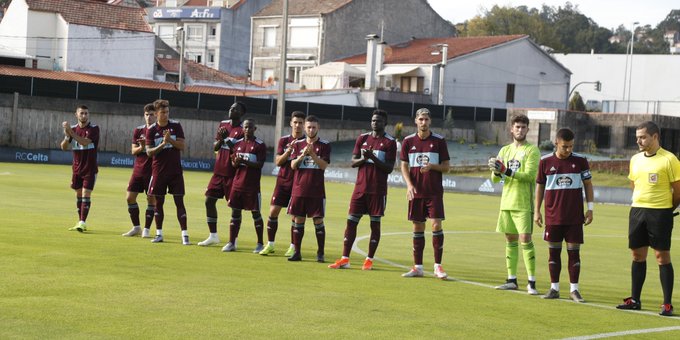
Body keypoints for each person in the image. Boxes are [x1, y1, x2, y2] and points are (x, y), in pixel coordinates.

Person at [616, 121, 680, 316]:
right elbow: (634, 185)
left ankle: (667, 304)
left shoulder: (669, 159)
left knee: (662, 257)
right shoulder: (635, 159)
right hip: (637, 212)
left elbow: (678, 191)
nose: (639, 140)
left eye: (643, 137)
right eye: (637, 137)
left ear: (655, 137)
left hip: (660, 213)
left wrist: (668, 210)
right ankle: (635, 299)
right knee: (637, 256)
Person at [328, 109, 397, 270]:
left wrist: (372, 158)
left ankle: (369, 259)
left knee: (375, 224)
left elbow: (389, 168)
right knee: (351, 222)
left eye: (378, 121)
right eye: (373, 120)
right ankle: (345, 258)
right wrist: (363, 158)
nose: (375, 123)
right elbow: (353, 162)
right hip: (360, 189)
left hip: (377, 191)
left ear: (384, 123)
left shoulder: (390, 142)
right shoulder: (362, 138)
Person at [534, 128, 594, 302]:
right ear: (556, 144)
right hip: (553, 217)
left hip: (575, 217)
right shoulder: (545, 162)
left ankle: (574, 290)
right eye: (564, 147)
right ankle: (554, 288)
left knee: (574, 254)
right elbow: (540, 187)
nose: (568, 150)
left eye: (570, 146)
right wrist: (537, 210)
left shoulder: (581, 161)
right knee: (553, 253)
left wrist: (590, 208)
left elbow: (588, 184)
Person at [489, 114, 540, 294]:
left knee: (525, 240)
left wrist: (506, 170)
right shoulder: (504, 150)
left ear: (528, 129)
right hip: (506, 203)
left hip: (523, 203)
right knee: (510, 240)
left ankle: (531, 282)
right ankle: (511, 279)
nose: (520, 130)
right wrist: (496, 170)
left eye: (523, 127)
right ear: (511, 129)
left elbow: (529, 176)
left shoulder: (532, 151)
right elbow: (495, 180)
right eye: (517, 127)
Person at [399, 108, 450, 279]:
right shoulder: (407, 141)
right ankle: (418, 267)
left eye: (426, 119)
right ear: (416, 121)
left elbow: (446, 167)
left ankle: (438, 266)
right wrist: (409, 185)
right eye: (421, 119)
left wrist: (432, 167)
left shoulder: (439, 141)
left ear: (430, 121)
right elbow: (404, 166)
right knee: (418, 226)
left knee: (436, 225)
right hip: (416, 192)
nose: (423, 122)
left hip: (434, 192)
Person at [198, 102, 245, 246]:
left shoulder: (244, 129)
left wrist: (225, 139)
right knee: (209, 200)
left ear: (241, 113)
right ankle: (213, 236)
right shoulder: (223, 124)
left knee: (235, 207)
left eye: (235, 108)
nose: (231, 109)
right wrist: (220, 140)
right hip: (218, 172)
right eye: (230, 107)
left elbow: (238, 151)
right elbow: (216, 146)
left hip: (233, 173)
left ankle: (234, 240)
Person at [259, 111, 306, 256]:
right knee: (273, 212)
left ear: (304, 125)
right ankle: (270, 244)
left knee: (295, 216)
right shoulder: (284, 141)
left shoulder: (307, 143)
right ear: (291, 123)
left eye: (300, 123)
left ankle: (293, 246)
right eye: (295, 122)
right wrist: (287, 152)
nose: (297, 125)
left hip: (298, 184)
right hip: (282, 182)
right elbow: (278, 162)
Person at [145, 99, 190, 245]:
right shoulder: (151, 130)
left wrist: (170, 140)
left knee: (179, 202)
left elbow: (182, 146)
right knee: (159, 203)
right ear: (157, 113)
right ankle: (159, 234)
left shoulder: (176, 126)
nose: (166, 114)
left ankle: (185, 235)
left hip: (175, 172)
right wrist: (163, 144)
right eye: (163, 112)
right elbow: (149, 152)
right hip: (159, 172)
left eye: (167, 112)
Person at [287, 115, 331, 262]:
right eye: (309, 127)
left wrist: (312, 154)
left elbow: (323, 166)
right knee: (298, 221)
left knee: (318, 221)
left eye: (314, 127)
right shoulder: (298, 144)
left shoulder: (324, 145)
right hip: (299, 189)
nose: (311, 129)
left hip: (316, 190)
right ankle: (297, 252)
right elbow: (292, 166)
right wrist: (302, 156)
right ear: (305, 128)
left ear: (318, 128)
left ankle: (320, 253)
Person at [222, 119, 267, 252]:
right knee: (235, 213)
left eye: (250, 127)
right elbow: (234, 163)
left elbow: (260, 165)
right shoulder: (238, 144)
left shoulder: (259, 145)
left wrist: (244, 161)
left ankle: (260, 243)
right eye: (245, 127)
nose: (247, 129)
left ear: (255, 129)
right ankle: (231, 243)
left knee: (256, 214)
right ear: (243, 129)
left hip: (252, 186)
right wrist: (236, 162)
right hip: (237, 184)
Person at [60, 105, 99, 232]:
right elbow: (64, 147)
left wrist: (71, 133)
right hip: (77, 168)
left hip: (90, 168)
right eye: (81, 113)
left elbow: (84, 142)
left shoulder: (94, 129)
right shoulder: (72, 129)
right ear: (76, 115)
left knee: (85, 194)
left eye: (86, 113)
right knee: (78, 194)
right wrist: (67, 136)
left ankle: (82, 222)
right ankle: (80, 221)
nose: (84, 116)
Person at [122, 103, 157, 238]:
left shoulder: (158, 131)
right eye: (147, 115)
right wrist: (142, 147)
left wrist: (147, 147)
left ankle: (147, 229)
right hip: (138, 169)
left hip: (153, 170)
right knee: (130, 197)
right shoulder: (138, 130)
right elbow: (133, 150)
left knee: (151, 199)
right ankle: (136, 227)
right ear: (144, 116)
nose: (149, 117)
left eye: (152, 115)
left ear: (156, 115)